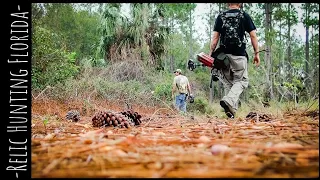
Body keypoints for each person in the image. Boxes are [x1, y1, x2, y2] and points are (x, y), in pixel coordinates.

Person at [209, 3, 260, 118]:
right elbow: (253, 36)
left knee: (230, 84)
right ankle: (229, 102)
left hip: (224, 57)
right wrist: (256, 53)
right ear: (240, 4)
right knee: (242, 81)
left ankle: (232, 114)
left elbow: (215, 38)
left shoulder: (220, 16)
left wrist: (211, 54)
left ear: (228, 4)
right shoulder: (244, 15)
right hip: (239, 56)